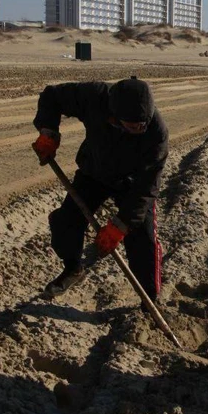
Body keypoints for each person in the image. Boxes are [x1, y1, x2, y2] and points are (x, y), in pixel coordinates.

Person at [32, 76, 168, 300]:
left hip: (132, 184)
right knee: (65, 222)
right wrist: (48, 132)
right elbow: (51, 96)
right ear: (115, 118)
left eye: (142, 125)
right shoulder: (94, 97)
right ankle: (73, 268)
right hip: (94, 171)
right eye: (133, 127)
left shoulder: (156, 133)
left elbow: (147, 187)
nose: (140, 129)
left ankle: (149, 299)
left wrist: (121, 225)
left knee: (143, 242)